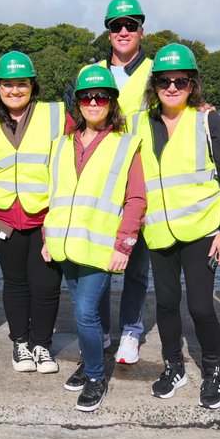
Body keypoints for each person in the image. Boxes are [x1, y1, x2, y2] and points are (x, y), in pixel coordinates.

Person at [131, 44, 220, 408]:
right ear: (155, 85)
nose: (172, 88)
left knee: (200, 306)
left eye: (180, 81)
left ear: (192, 84)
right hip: (159, 231)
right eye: (164, 81)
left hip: (202, 233)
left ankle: (213, 370)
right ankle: (173, 366)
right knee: (165, 303)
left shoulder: (209, 121)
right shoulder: (139, 123)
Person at [44, 66, 145, 412]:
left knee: (86, 313)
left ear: (112, 103)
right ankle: (90, 363)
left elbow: (136, 200)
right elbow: (54, 194)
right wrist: (47, 236)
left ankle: (96, 376)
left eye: (101, 97)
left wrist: (124, 244)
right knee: (82, 313)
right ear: (78, 103)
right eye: (86, 97)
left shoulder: (125, 144)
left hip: (100, 246)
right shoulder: (61, 144)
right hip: (65, 244)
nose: (93, 102)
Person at [81, 0, 154, 366]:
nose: (123, 31)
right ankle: (102, 327)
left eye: (130, 25)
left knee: (137, 266)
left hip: (142, 181)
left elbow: (182, 106)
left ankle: (131, 331)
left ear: (142, 30)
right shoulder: (91, 72)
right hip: (100, 186)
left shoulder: (157, 73)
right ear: (108, 32)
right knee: (100, 263)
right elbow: (74, 123)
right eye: (116, 26)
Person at [0, 51, 64, 375]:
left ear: (33, 85)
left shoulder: (55, 115)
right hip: (2, 216)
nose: (15, 90)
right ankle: (20, 343)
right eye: (8, 84)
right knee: (15, 282)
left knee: (45, 284)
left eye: (22, 84)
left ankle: (42, 344)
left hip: (44, 215)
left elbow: (98, 117)